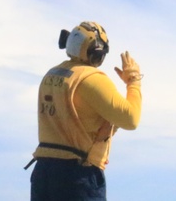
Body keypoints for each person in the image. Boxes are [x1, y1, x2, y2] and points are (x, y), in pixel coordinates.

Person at [27, 21, 142, 201]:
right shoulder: (91, 79)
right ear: (96, 52)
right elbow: (131, 119)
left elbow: (74, 120)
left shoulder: (52, 75)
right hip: (77, 175)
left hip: (44, 172)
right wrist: (133, 82)